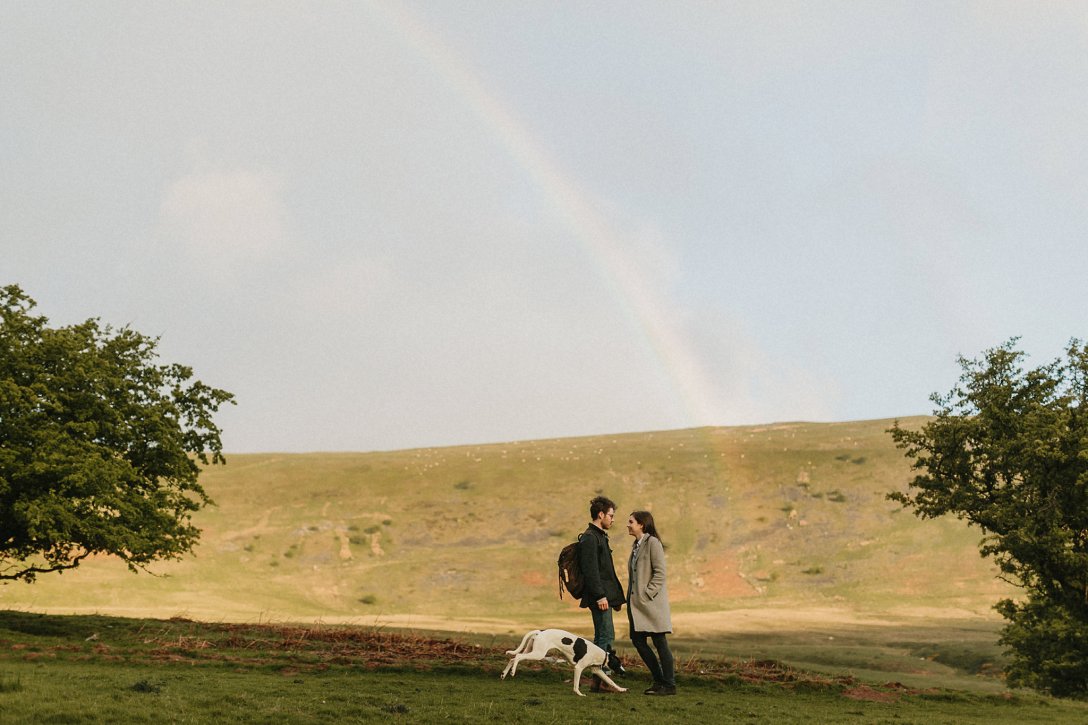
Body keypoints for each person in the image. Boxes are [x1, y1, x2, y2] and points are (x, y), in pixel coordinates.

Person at [626, 510, 676, 695]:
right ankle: (659, 680)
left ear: (641, 524)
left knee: (660, 642)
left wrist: (646, 594)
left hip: (651, 604)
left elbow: (660, 573)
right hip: (638, 605)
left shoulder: (653, 543)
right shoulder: (636, 545)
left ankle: (668, 685)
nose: (628, 524)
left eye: (631, 521)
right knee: (637, 640)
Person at [578, 495, 626, 685]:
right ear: (600, 515)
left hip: (604, 596)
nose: (613, 520)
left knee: (603, 635)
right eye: (611, 516)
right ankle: (602, 677)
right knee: (605, 635)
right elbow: (591, 572)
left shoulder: (598, 536)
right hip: (600, 597)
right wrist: (600, 596)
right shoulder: (590, 538)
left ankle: (599, 679)